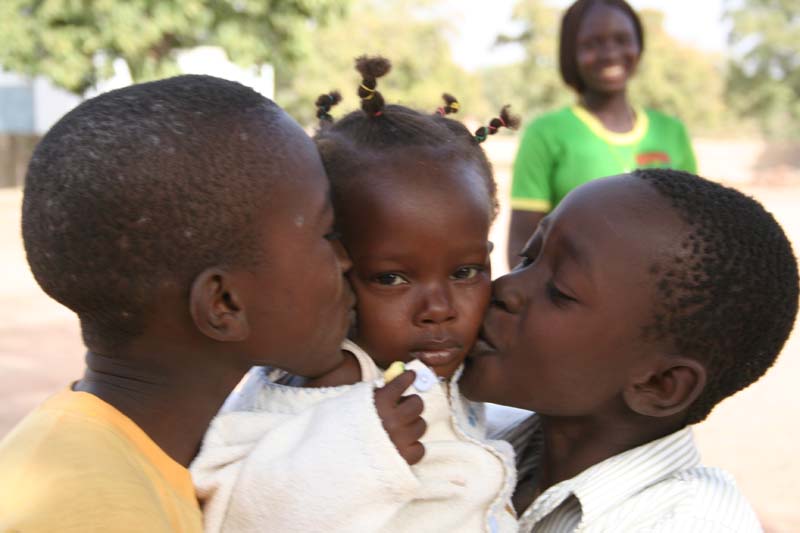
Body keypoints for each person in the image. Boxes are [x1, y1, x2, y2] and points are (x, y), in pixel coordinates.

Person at [0, 75, 354, 532]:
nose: (347, 260)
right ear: (225, 304)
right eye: (327, 234)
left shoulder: (134, 454)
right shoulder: (98, 513)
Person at [190, 56, 520, 533]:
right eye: (391, 279)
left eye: (466, 271)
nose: (439, 310)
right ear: (332, 265)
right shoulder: (324, 383)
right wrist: (356, 446)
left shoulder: (456, 362)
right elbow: (231, 504)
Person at [461, 168, 798, 532]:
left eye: (560, 291)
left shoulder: (687, 525)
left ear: (659, 384)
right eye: (528, 258)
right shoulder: (466, 438)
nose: (506, 288)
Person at [506, 0, 697, 270]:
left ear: (638, 46)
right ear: (570, 53)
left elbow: (692, 229)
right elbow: (520, 245)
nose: (610, 53)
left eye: (622, 39)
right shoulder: (545, 133)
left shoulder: (671, 131)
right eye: (591, 44)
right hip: (574, 302)